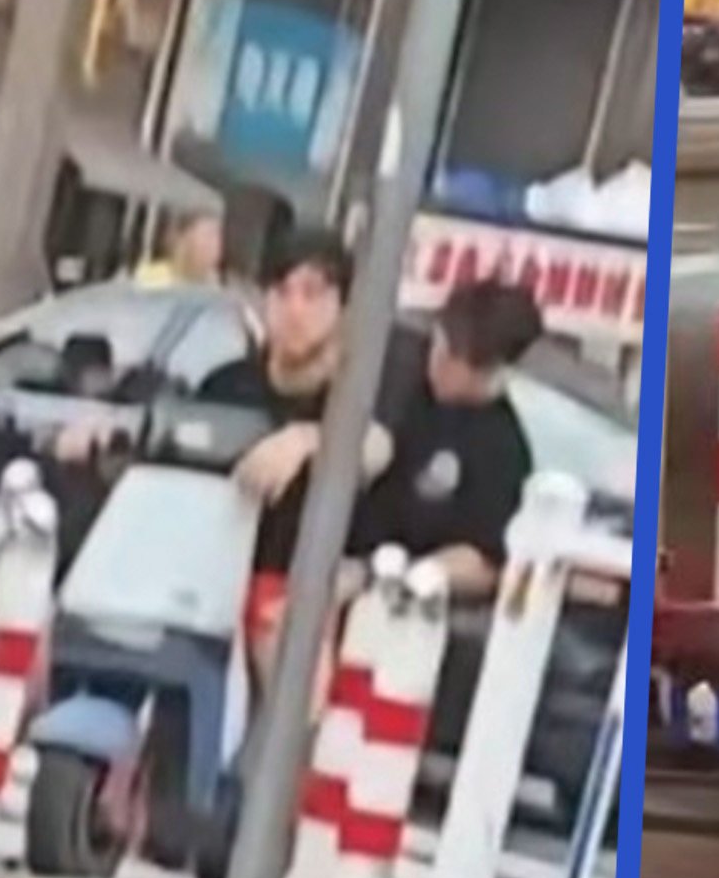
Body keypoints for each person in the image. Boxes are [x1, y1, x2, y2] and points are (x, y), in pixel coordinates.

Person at [187, 230, 404, 687]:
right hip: (205, 583)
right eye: (281, 292)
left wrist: (310, 440)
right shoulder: (227, 385)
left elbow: (376, 448)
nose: (294, 310)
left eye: (312, 293)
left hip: (304, 591)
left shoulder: (362, 396)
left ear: (343, 306)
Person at [358, 280, 545, 598]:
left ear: (488, 370)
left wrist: (418, 574)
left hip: (396, 599)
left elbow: (482, 558)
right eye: (437, 345)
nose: (436, 362)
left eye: (450, 358)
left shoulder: (502, 450)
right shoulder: (398, 372)